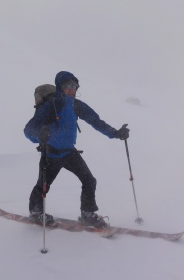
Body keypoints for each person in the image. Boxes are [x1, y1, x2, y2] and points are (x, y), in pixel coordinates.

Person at [24, 71, 129, 228]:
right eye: (67, 86)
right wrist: (40, 135)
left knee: (89, 180)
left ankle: (87, 214)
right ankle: (36, 212)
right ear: (60, 87)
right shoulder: (49, 107)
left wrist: (115, 133)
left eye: (74, 86)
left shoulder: (76, 105)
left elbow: (96, 122)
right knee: (43, 186)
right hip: (51, 154)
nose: (72, 89)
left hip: (69, 152)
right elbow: (28, 129)